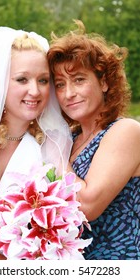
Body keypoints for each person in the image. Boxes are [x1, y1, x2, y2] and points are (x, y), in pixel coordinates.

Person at [0, 27, 72, 260]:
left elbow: (71, 206)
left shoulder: (52, 143)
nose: (35, 91)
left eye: (43, 80)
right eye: (22, 79)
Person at [47, 20, 140, 260]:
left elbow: (87, 206)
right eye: (60, 84)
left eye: (79, 80)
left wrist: (52, 146)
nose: (68, 93)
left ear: (105, 82)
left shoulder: (125, 131)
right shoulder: (71, 139)